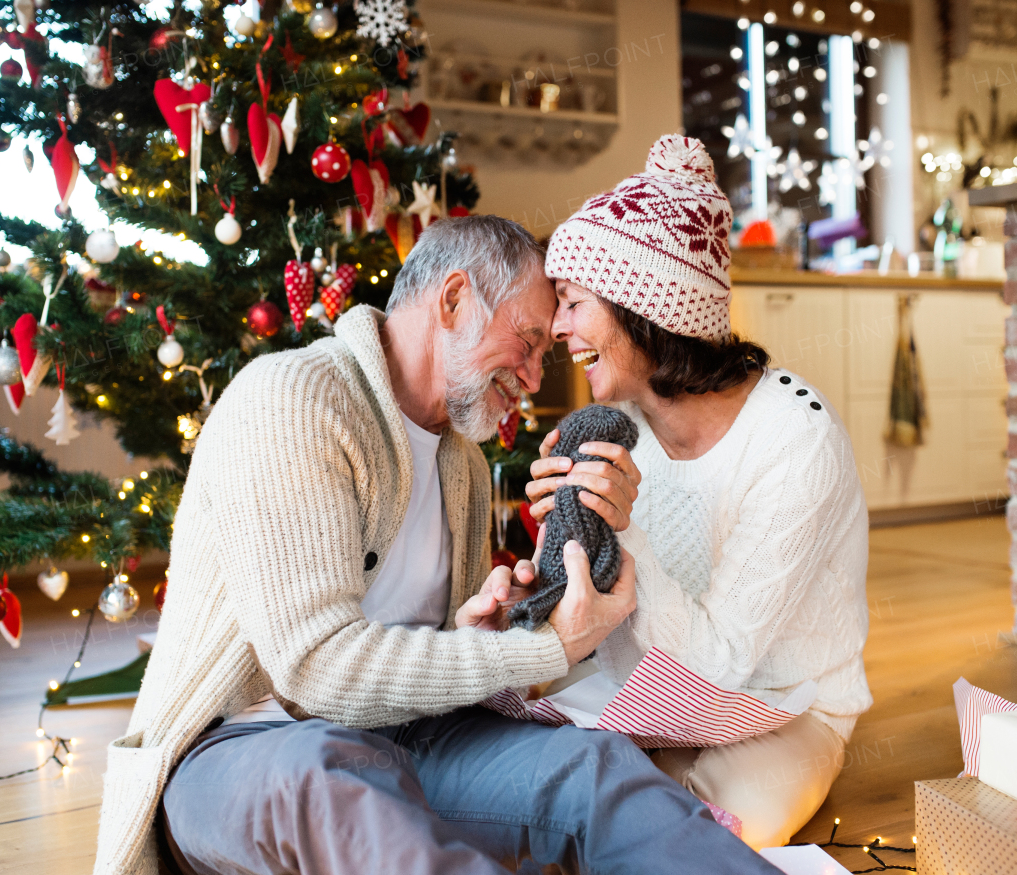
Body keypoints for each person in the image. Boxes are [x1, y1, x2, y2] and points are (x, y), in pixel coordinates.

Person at [92, 214, 782, 875]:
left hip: (404, 740)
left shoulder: (465, 466)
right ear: (453, 298)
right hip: (244, 750)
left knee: (594, 767)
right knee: (335, 783)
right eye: (530, 340)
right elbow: (316, 668)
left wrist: (482, 624)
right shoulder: (293, 398)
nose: (538, 376)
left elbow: (425, 651)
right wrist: (541, 646)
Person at [528, 135, 873, 850]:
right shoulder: (618, 426)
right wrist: (561, 535)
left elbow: (722, 663)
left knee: (712, 833)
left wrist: (620, 529)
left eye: (573, 302)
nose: (558, 327)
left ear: (643, 310)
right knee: (545, 779)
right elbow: (581, 611)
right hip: (651, 698)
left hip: (787, 703)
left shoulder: (792, 440)